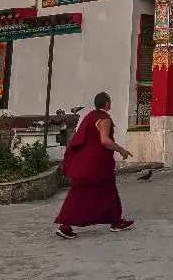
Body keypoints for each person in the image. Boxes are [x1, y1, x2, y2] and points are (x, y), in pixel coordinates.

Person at [55, 92, 134, 239]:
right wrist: (121, 150)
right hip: (97, 164)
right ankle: (65, 225)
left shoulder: (90, 116)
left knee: (102, 192)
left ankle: (115, 221)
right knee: (98, 192)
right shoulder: (104, 118)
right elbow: (104, 140)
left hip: (85, 162)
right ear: (107, 104)